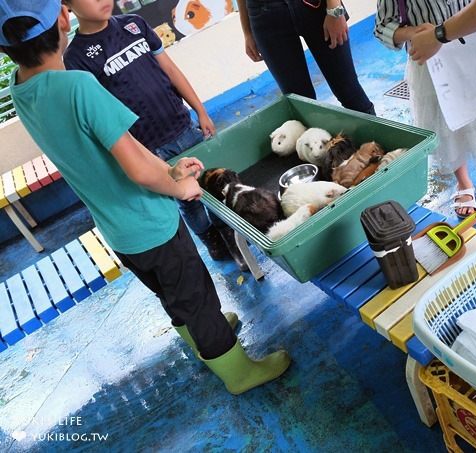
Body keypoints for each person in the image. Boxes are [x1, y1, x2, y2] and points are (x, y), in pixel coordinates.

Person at [1, 0, 290, 395]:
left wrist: (167, 169)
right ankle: (239, 372)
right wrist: (179, 185)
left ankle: (203, 342)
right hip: (148, 220)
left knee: (173, 294)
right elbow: (136, 164)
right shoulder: (78, 85)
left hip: (117, 228)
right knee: (198, 297)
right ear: (63, 17)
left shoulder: (21, 88)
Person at [62, 0, 231, 262]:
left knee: (210, 181)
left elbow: (171, 70)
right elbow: (99, 114)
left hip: (184, 126)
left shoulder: (135, 24)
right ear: (68, 6)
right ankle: (209, 237)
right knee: (188, 199)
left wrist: (200, 110)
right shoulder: (75, 58)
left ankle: (227, 229)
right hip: (149, 149)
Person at [376, 0, 476, 217]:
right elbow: (382, 26)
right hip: (430, 61)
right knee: (445, 121)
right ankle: (463, 183)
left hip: (474, 48)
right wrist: (413, 32)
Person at [235, 0, 375, 115]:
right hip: (264, 14)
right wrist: (247, 31)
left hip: (315, 6)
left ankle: (376, 143)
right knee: (301, 103)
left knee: (349, 90)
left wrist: (335, 9)